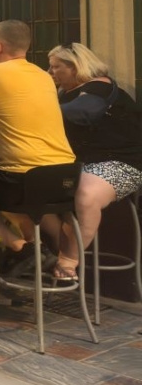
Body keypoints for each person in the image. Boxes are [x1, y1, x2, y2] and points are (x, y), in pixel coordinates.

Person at [0, 20, 76, 265]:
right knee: (24, 200)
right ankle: (59, 260)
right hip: (65, 174)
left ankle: (22, 249)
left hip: (21, 178)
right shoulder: (43, 76)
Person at [47, 43, 142, 281]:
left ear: (75, 67)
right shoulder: (64, 93)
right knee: (30, 190)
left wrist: (38, 112)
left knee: (85, 195)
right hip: (82, 164)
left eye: (56, 67)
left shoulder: (98, 88)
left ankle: (68, 261)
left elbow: (82, 112)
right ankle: (47, 251)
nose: (50, 72)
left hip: (122, 163)